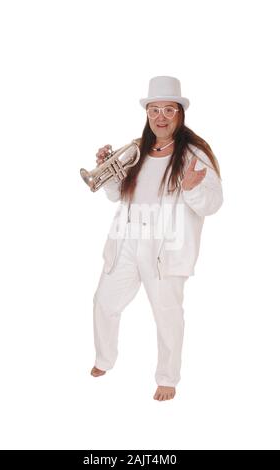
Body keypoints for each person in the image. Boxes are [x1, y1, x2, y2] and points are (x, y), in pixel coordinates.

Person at [90, 76, 223, 401]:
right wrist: (108, 172)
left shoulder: (195, 154)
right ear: (147, 113)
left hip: (165, 245)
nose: (160, 117)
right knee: (104, 302)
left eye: (168, 110)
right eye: (154, 110)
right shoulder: (137, 149)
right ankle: (105, 359)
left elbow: (214, 203)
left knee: (167, 313)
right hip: (127, 238)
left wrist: (191, 187)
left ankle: (167, 378)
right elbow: (116, 195)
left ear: (180, 114)